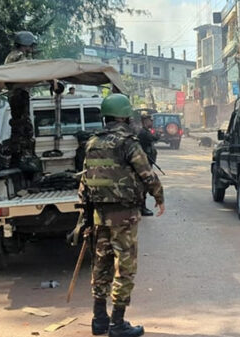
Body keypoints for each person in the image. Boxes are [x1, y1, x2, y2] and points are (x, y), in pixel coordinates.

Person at [79, 94, 165, 337]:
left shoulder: (92, 142)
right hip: (124, 215)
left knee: (101, 264)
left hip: (98, 214)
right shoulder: (128, 142)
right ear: (125, 117)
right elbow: (146, 174)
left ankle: (99, 320)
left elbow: (85, 178)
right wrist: (159, 197)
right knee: (125, 267)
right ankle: (117, 324)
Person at [3, 31, 41, 173]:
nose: (32, 48)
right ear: (26, 43)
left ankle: (19, 158)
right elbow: (28, 70)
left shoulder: (12, 56)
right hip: (18, 94)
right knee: (22, 127)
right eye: (31, 45)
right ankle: (20, 160)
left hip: (17, 93)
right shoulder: (18, 56)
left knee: (21, 126)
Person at [137, 112, 159, 216]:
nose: (152, 122)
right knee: (144, 186)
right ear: (146, 121)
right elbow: (154, 138)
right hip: (144, 163)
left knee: (144, 185)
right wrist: (159, 133)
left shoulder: (145, 131)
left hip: (147, 162)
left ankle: (142, 207)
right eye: (150, 121)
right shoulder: (144, 133)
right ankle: (142, 207)